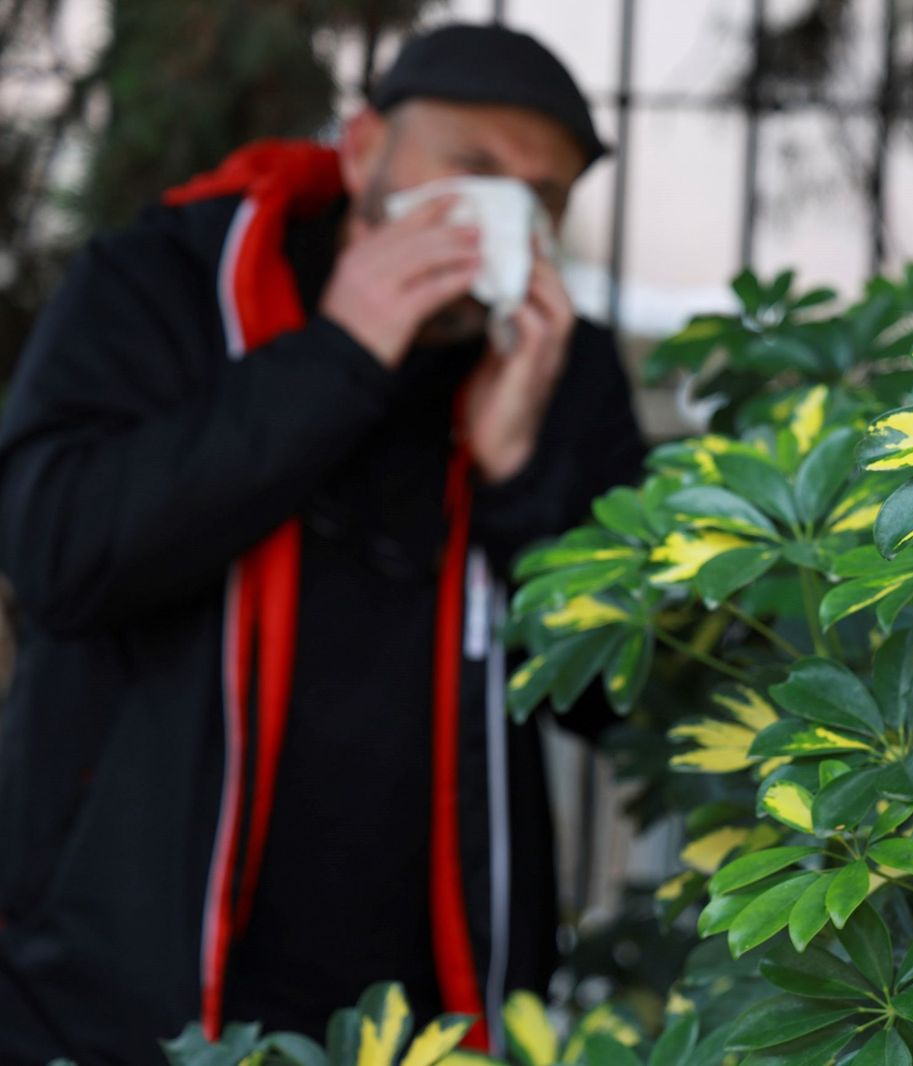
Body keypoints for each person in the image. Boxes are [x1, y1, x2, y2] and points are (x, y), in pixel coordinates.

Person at [0, 23, 646, 1064]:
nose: (508, 215)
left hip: (430, 1008)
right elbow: (56, 553)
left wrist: (517, 472)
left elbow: (611, 698)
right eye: (473, 169)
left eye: (545, 197)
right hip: (123, 988)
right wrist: (339, 355)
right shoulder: (162, 283)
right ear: (361, 151)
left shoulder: (562, 366)